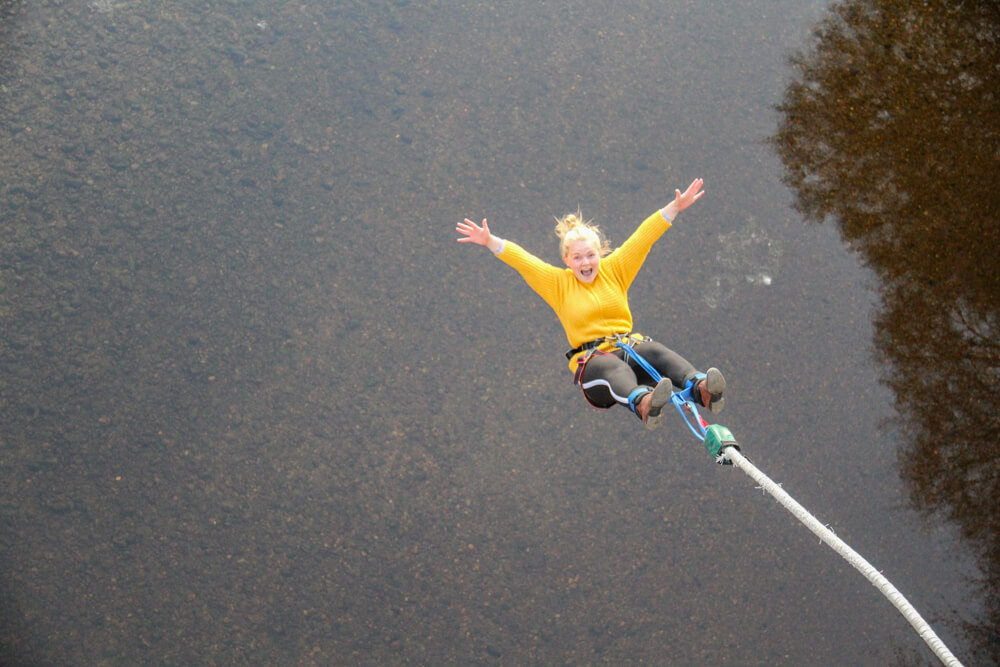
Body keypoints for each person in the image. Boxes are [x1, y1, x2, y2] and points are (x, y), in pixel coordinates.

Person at [456, 178, 726, 430]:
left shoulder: (616, 269)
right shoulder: (557, 284)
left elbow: (643, 238)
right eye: (577, 258)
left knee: (653, 350)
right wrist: (489, 241)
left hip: (628, 349)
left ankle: (700, 387)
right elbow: (523, 261)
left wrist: (675, 207)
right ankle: (643, 404)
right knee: (613, 366)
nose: (585, 263)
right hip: (595, 368)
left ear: (600, 254)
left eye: (590, 255)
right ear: (566, 260)